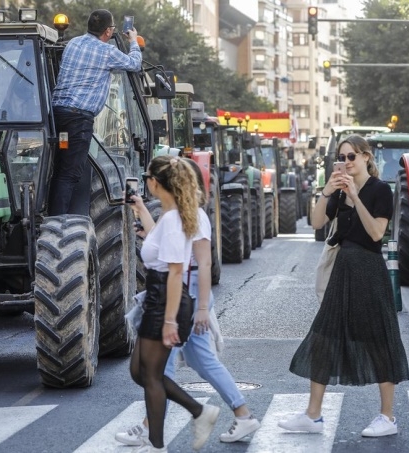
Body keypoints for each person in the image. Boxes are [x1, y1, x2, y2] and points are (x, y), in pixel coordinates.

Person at [116, 159, 260, 447]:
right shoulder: (176, 214)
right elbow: (165, 244)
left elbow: (202, 264)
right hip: (181, 291)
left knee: (163, 367)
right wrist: (142, 211)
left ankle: (151, 427)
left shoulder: (194, 216)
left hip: (186, 294)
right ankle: (241, 415)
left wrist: (202, 308)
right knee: (196, 360)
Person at [278, 134, 409, 438]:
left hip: (368, 270)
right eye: (342, 157)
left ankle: (387, 417)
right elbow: (315, 223)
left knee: (379, 340)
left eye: (351, 157)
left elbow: (377, 233)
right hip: (342, 270)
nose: (346, 162)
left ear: (366, 157)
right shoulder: (338, 190)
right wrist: (326, 192)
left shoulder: (379, 190)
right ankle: (313, 415)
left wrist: (355, 195)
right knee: (324, 337)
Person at [126, 155, 219, 453]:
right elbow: (160, 245)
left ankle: (156, 446)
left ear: (155, 183)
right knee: (139, 372)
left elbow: (176, 271)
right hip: (158, 297)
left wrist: (168, 322)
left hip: (166, 300)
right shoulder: (171, 217)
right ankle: (198, 411)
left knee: (151, 376)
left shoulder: (175, 219)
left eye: (148, 177)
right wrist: (141, 210)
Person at [48, 9, 142, 216]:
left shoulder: (72, 43)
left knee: (59, 167)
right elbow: (134, 64)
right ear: (108, 31)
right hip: (78, 120)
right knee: (70, 173)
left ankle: (50, 213)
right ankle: (58, 220)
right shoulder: (106, 52)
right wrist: (133, 40)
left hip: (58, 116)